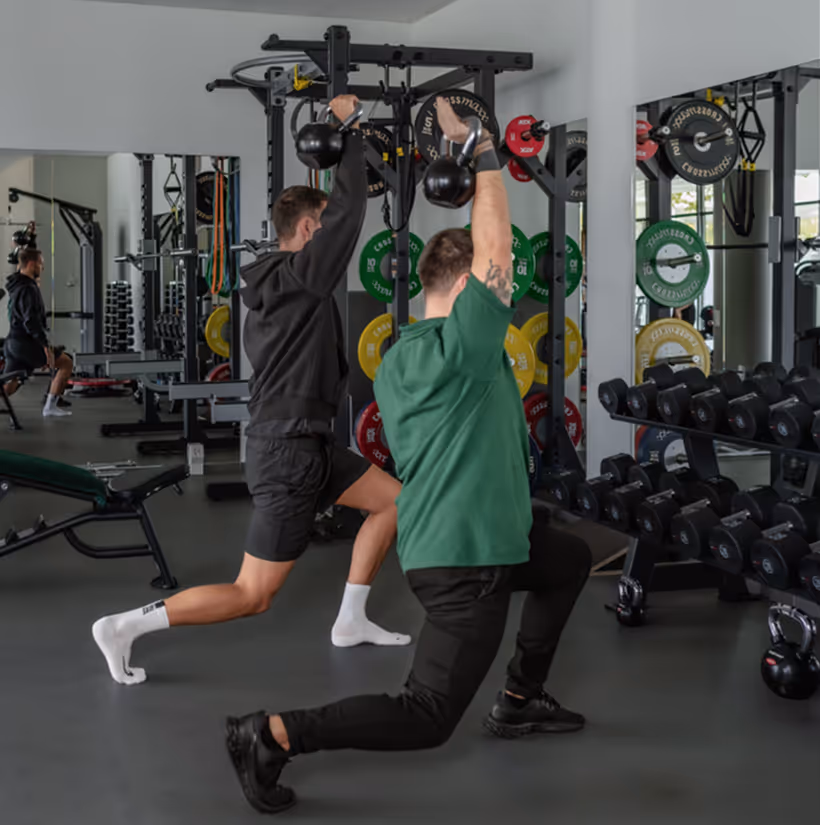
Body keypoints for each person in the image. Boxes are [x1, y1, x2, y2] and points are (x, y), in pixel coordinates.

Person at [223, 98, 593, 815]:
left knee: (568, 560)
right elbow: (497, 253)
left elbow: (486, 269)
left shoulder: (396, 357)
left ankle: (518, 696)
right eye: (490, 286)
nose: (503, 288)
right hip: (465, 561)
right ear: (462, 288)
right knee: (426, 713)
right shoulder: (464, 349)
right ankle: (270, 733)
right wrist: (482, 147)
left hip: (467, 538)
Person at [92, 94, 409, 688]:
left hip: (306, 443)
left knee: (395, 502)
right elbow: (346, 218)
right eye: (324, 233)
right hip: (287, 452)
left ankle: (350, 619)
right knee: (252, 594)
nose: (331, 247)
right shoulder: (295, 281)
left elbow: (335, 224)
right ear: (308, 231)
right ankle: (125, 626)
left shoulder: (285, 285)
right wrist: (352, 129)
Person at [4, 246, 74, 417]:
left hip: (13, 343)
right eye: (40, 264)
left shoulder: (16, 285)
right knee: (66, 362)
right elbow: (31, 321)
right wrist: (45, 346)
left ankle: (50, 406)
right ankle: (49, 407)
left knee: (8, 385)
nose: (42, 268)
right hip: (25, 344)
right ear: (31, 264)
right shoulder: (28, 289)